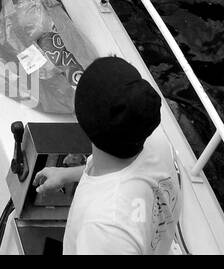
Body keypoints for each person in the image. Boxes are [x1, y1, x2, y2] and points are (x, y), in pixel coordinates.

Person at [34, 56, 183, 256]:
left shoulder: (104, 230)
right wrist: (68, 174)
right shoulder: (155, 143)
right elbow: (126, 175)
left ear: (81, 118)